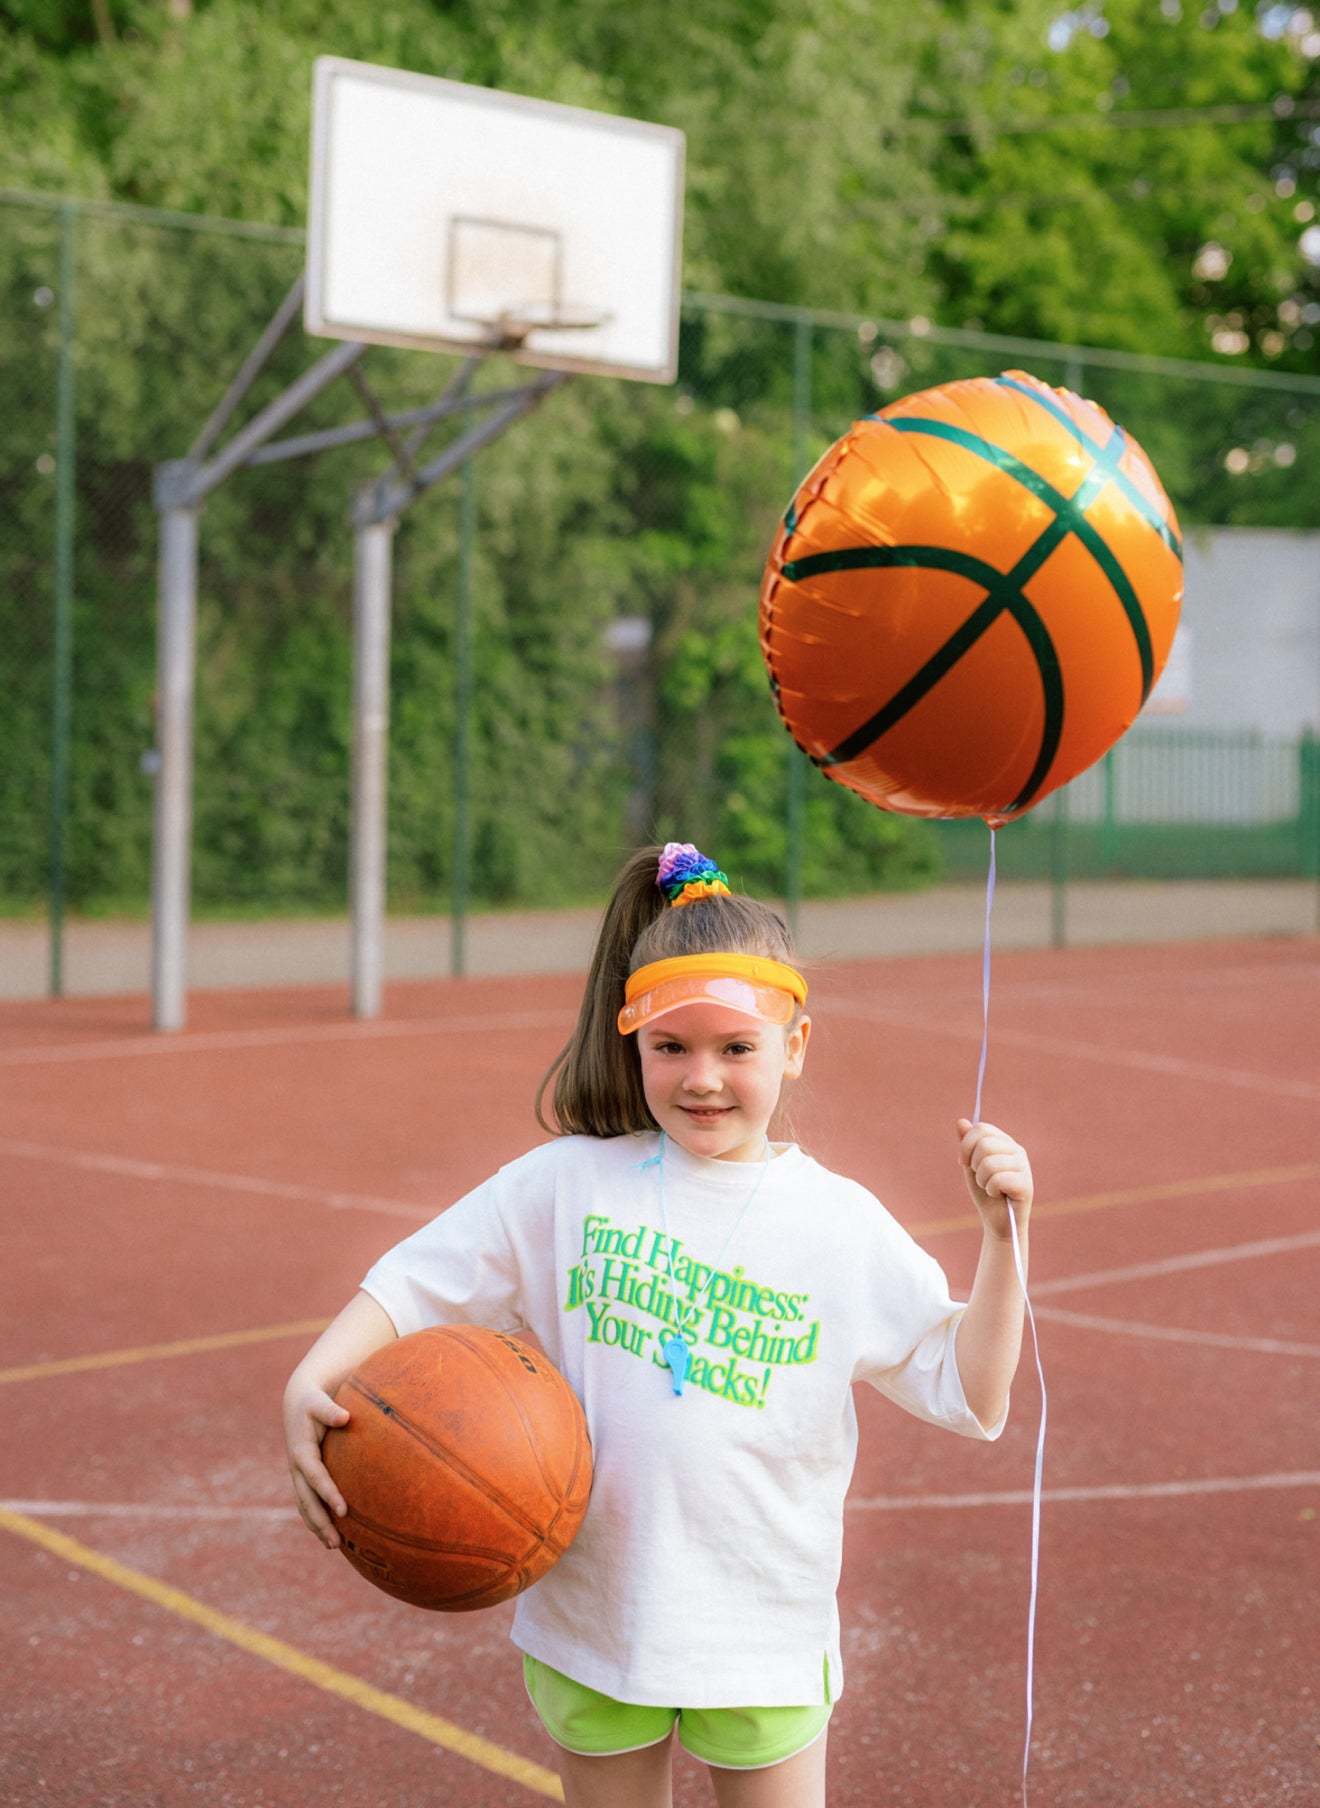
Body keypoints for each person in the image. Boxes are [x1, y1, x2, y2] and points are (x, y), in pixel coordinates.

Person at [284, 842, 1034, 1808]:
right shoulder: (568, 1185)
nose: (703, 1078)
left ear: (794, 1045)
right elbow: (418, 1283)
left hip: (763, 1626)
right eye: (671, 1048)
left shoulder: (839, 1225)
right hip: (599, 1618)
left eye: (737, 1048)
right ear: (631, 1039)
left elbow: (972, 1392)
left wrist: (1002, 1242)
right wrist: (312, 1374)